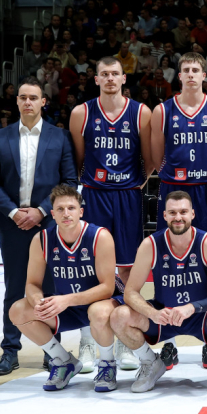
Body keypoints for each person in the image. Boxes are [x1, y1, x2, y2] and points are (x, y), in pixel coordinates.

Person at [0, 78, 77, 376]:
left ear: (43, 102)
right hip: (12, 224)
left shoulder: (59, 137)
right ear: (17, 102)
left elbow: (69, 181)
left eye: (33, 98)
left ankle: (53, 351)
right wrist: (14, 212)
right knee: (14, 287)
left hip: (48, 224)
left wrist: (41, 211)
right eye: (23, 97)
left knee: (49, 288)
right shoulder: (0, 136)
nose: (27, 102)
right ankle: (9, 350)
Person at [69, 56, 153, 373]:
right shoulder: (81, 113)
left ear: (123, 78)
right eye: (103, 74)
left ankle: (125, 339)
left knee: (128, 270)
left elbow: (149, 159)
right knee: (89, 268)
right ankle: (88, 340)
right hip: (94, 195)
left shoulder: (140, 112)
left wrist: (135, 183)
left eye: (115, 74)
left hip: (128, 195)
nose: (109, 79)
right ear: (95, 79)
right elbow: (78, 160)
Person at [149, 52, 207, 369]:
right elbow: (156, 158)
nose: (191, 74)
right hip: (173, 189)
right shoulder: (163, 110)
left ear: (204, 75)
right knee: (166, 264)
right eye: (186, 69)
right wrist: (176, 179)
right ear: (179, 75)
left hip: (205, 190)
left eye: (196, 69)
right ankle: (168, 342)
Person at [110, 191, 207, 392]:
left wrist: (192, 307)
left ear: (192, 214)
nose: (178, 217)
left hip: (200, 316)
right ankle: (150, 362)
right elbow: (130, 293)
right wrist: (152, 313)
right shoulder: (151, 244)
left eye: (183, 212)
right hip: (164, 315)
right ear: (164, 216)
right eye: (172, 212)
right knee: (119, 316)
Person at [7, 185, 120, 391]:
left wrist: (66, 300)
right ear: (52, 214)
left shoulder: (100, 236)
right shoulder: (41, 239)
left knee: (99, 312)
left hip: (100, 304)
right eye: (60, 209)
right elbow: (32, 284)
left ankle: (107, 364)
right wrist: (38, 303)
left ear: (81, 212)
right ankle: (63, 361)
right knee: (18, 310)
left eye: (71, 208)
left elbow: (107, 288)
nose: (66, 213)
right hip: (67, 306)